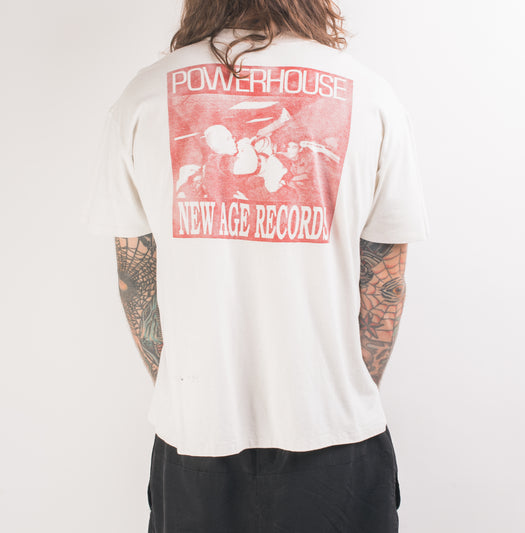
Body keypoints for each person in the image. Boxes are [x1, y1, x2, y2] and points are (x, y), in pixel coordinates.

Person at [81, 0, 430, 531]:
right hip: (337, 436)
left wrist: (189, 392)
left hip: (196, 438)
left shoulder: (143, 96)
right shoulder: (371, 96)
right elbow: (387, 279)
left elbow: (136, 278)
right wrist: (337, 390)